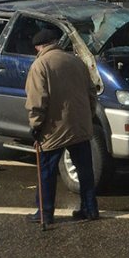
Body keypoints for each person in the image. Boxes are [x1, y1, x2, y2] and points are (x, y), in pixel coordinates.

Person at [25, 28, 99, 224]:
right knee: (85, 170)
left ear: (39, 47)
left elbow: (36, 101)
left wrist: (35, 126)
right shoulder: (77, 61)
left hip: (54, 127)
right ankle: (90, 209)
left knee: (47, 171)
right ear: (55, 42)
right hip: (80, 125)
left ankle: (45, 213)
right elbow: (92, 92)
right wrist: (88, 116)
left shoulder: (40, 65)